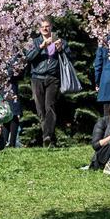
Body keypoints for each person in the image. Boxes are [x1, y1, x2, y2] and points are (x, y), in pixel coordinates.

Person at [24, 17, 69, 148]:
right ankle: (49, 138)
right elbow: (28, 57)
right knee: (40, 109)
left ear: (51, 27)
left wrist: (61, 49)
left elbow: (70, 57)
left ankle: (47, 136)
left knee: (50, 106)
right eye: (42, 26)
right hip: (37, 77)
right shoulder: (34, 42)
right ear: (39, 29)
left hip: (52, 78)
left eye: (47, 26)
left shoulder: (59, 41)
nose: (45, 28)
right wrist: (40, 47)